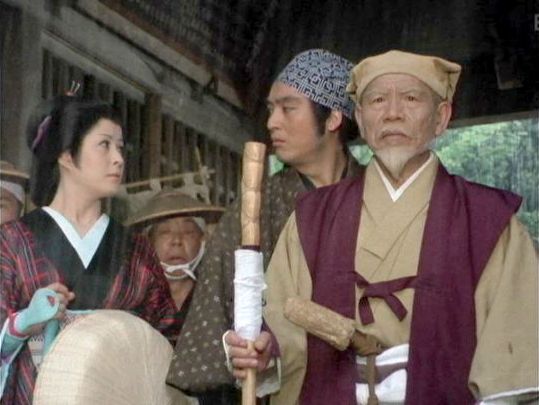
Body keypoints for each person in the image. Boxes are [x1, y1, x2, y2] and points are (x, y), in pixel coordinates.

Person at [226, 50, 539, 404]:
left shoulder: (486, 220)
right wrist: (266, 355)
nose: (392, 113)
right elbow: (283, 336)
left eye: (411, 98)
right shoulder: (312, 218)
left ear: (441, 117)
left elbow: (510, 359)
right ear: (360, 118)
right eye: (377, 100)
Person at [166, 49, 365, 401]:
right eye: (271, 109)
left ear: (333, 117)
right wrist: (242, 349)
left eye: (288, 108)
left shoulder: (374, 195)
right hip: (285, 388)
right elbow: (215, 305)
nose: (272, 122)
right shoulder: (257, 205)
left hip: (368, 381)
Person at [0, 96, 182, 404]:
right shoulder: (12, 241)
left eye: (120, 147)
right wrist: (21, 324)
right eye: (104, 145)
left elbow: (167, 341)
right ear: (66, 155)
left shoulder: (137, 248)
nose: (118, 159)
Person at [126, 190, 224, 321]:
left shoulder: (218, 298)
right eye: (165, 232)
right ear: (149, 242)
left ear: (203, 240)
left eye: (188, 232)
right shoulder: (134, 302)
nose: (177, 240)